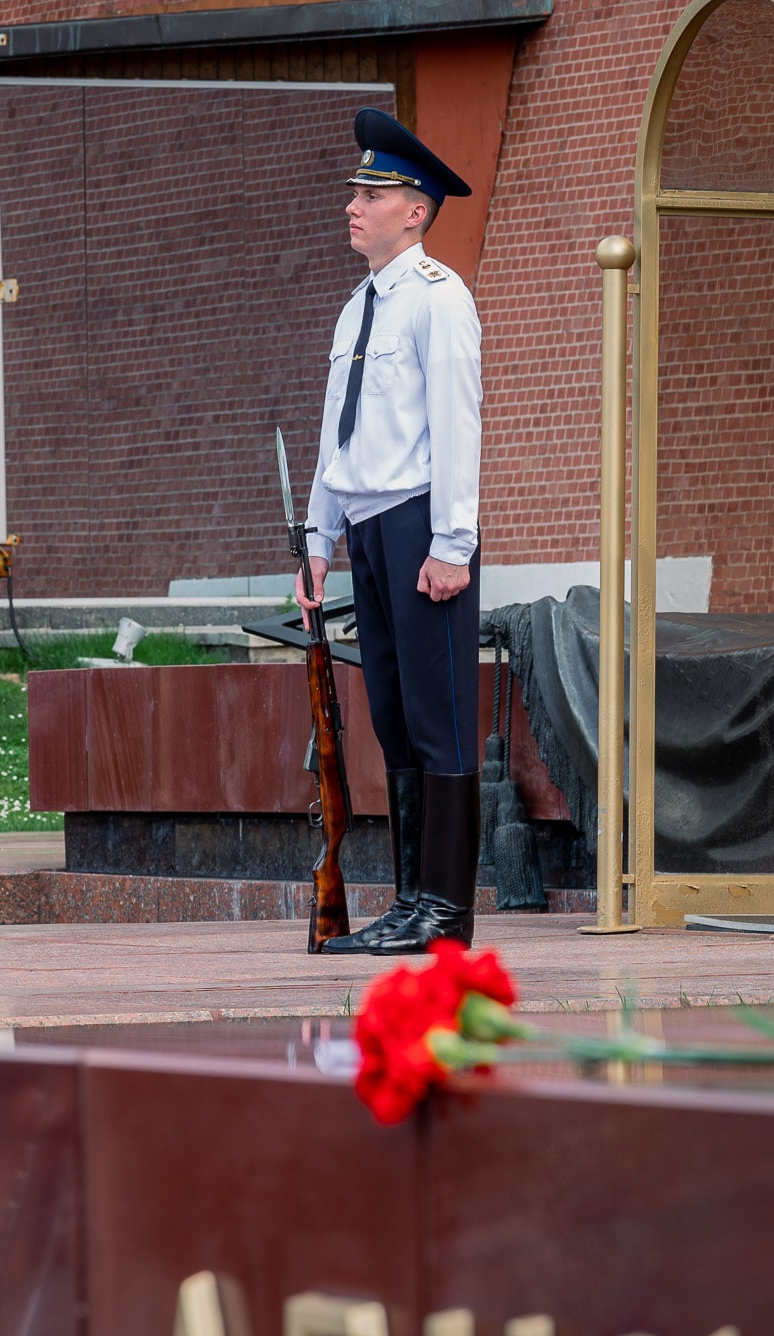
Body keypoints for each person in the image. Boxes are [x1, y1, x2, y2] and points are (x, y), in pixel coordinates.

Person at [299, 108, 481, 955]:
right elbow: (337, 436)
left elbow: (457, 424)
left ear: (416, 209)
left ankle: (445, 910)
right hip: (368, 527)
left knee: (440, 719)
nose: (354, 204)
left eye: (372, 192)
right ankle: (411, 901)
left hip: (418, 527)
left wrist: (454, 543)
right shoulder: (354, 312)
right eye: (355, 191)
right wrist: (318, 539)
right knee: (396, 721)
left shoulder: (440, 302)